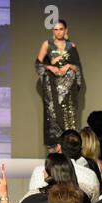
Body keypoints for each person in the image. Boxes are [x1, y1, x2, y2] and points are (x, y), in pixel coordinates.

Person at [36, 19, 82, 147]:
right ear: (53, 31)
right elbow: (38, 64)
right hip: (52, 87)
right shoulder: (47, 44)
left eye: (61, 29)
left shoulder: (71, 46)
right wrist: (50, 67)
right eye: (56, 29)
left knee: (69, 117)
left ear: (66, 30)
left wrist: (68, 66)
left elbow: (77, 67)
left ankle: (70, 150)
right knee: (53, 116)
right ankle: (55, 151)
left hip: (69, 87)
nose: (58, 32)